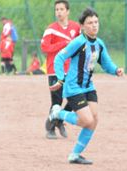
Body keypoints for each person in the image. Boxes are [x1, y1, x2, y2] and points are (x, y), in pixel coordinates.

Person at [47, 7, 123, 165]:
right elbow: (59, 58)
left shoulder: (99, 44)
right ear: (82, 26)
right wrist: (60, 78)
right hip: (73, 87)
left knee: (94, 120)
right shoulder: (78, 42)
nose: (94, 25)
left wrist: (116, 70)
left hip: (88, 87)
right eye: (90, 23)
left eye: (96, 22)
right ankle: (57, 113)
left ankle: (75, 155)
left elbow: (106, 62)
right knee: (87, 121)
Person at [41, 0, 81, 139]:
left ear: (67, 11)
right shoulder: (51, 29)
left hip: (71, 69)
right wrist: (63, 44)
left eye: (61, 9)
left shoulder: (76, 28)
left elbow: (81, 45)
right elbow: (45, 47)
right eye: (57, 9)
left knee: (75, 99)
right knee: (56, 102)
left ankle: (59, 120)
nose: (59, 12)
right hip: (55, 70)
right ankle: (51, 130)